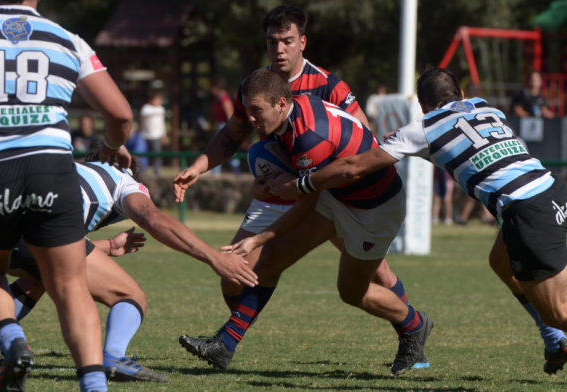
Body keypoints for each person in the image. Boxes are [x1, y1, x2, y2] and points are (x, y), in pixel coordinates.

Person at [173, 5, 429, 370]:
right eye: (272, 41)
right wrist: (200, 166)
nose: (279, 49)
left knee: (366, 282)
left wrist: (289, 190)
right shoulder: (256, 86)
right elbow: (234, 134)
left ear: (302, 43)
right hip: (302, 186)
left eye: (287, 41)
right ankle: (229, 338)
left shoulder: (326, 89)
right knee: (241, 269)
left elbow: (361, 145)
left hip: (345, 194)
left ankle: (413, 330)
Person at [267, 66, 567, 375]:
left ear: (422, 106)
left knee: (559, 311)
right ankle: (554, 338)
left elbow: (355, 166)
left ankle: (554, 329)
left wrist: (300, 184)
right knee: (500, 261)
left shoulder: (423, 128)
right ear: (461, 94)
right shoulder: (485, 107)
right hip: (552, 187)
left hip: (526, 209)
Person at [4, 144, 258, 382]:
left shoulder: (75, 170)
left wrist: (110, 246)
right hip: (43, 229)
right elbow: (153, 218)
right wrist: (214, 257)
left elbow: (67, 249)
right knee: (130, 295)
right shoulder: (123, 178)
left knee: (38, 277)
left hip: (4, 221)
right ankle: (113, 356)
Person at [0, 1, 133, 391]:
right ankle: (93, 386)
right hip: (53, 169)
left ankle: (13, 343)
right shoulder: (67, 40)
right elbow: (120, 115)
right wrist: (110, 144)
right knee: (70, 285)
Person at [140, 91, 166, 177]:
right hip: (145, 135)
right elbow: (144, 115)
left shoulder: (161, 109)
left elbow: (162, 123)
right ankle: (142, 171)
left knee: (157, 155)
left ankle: (157, 172)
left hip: (157, 135)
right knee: (144, 154)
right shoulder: (146, 108)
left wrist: (164, 134)